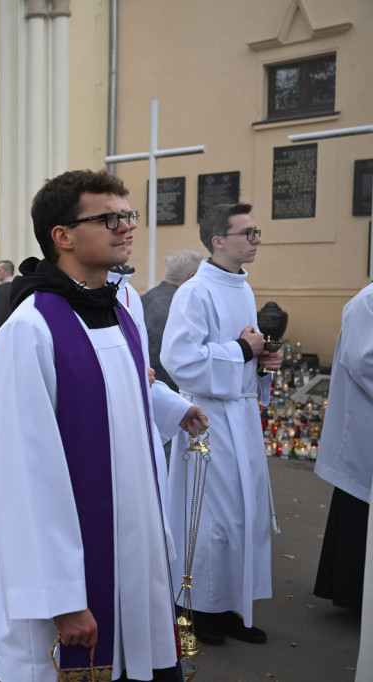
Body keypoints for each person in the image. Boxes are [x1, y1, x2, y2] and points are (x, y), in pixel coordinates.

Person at [0, 169, 186, 681]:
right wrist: (62, 597)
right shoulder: (31, 331)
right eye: (108, 218)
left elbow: (134, 443)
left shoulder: (122, 319)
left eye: (127, 215)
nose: (126, 227)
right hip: (68, 586)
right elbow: (25, 477)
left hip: (133, 560)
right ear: (61, 237)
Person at [161, 202, 281, 646]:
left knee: (242, 517)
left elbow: (242, 351)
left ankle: (229, 604)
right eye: (247, 232)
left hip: (242, 414)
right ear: (218, 241)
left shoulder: (242, 288)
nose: (256, 239)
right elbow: (180, 360)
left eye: (256, 231)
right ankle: (194, 610)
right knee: (211, 517)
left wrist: (263, 362)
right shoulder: (195, 292)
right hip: (208, 419)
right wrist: (243, 352)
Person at [314, 280, 373, 609]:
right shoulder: (367, 302)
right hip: (364, 422)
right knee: (359, 510)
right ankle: (353, 593)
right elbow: (364, 360)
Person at [140, 250, 204, 392]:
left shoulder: (144, 299)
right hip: (171, 391)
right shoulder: (182, 305)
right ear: (192, 277)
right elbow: (165, 357)